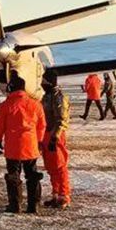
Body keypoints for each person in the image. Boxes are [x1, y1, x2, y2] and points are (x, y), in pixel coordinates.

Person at [0, 74, 46, 214]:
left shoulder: (5, 105)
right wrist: (39, 141)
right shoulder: (36, 104)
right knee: (32, 174)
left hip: (13, 146)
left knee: (13, 175)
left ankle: (15, 204)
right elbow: (42, 126)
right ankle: (33, 204)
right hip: (31, 145)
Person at [40, 70, 71, 208]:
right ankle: (55, 194)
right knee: (51, 167)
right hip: (46, 134)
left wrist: (55, 137)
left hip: (55, 135)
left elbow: (62, 119)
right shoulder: (46, 96)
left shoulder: (59, 97)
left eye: (44, 81)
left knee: (60, 166)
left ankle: (64, 195)